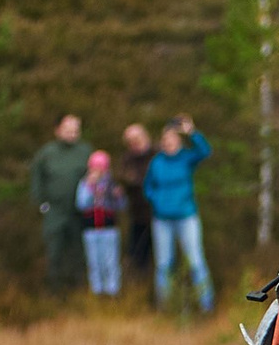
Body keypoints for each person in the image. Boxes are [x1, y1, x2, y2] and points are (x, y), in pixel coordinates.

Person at [143, 114, 213, 312]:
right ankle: (165, 307)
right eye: (165, 140)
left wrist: (192, 132)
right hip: (162, 220)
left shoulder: (186, 158)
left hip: (186, 217)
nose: (168, 143)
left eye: (172, 139)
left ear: (179, 141)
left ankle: (206, 305)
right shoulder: (157, 162)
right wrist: (156, 201)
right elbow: (148, 186)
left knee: (196, 262)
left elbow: (205, 151)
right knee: (164, 265)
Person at [28, 115, 94, 293]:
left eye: (75, 130)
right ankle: (54, 291)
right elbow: (36, 179)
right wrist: (42, 204)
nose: (72, 134)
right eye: (68, 130)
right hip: (55, 210)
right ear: (57, 130)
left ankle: (78, 290)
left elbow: (96, 177)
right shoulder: (46, 153)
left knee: (78, 251)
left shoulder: (85, 151)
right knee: (54, 251)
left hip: (79, 211)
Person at [77, 150, 126, 297]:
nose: (97, 171)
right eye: (94, 167)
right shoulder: (84, 184)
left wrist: (118, 196)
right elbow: (80, 204)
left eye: (101, 168)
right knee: (94, 263)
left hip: (109, 229)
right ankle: (97, 292)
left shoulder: (112, 185)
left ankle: (113, 292)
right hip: (91, 229)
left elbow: (121, 205)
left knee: (110, 262)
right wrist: (90, 189)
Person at [115, 122, 156, 281]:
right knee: (137, 258)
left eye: (137, 138)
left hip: (159, 216)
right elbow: (124, 179)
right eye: (130, 141)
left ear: (145, 136)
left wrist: (136, 181)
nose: (134, 143)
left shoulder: (157, 155)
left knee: (162, 258)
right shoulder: (127, 159)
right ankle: (139, 293)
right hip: (137, 217)